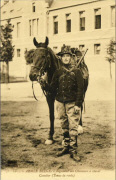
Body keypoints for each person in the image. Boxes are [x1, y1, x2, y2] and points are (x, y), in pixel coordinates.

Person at [42, 45, 84, 161]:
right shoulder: (57, 72)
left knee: (73, 127)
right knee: (64, 125)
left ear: (71, 58)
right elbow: (52, 88)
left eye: (68, 56)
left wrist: (77, 104)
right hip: (60, 103)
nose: (66, 58)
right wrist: (44, 84)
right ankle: (66, 147)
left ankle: (73, 150)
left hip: (72, 103)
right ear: (60, 58)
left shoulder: (77, 71)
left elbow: (80, 89)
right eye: (64, 56)